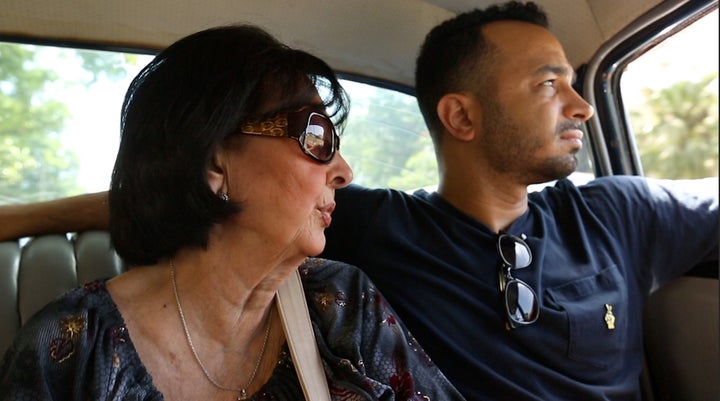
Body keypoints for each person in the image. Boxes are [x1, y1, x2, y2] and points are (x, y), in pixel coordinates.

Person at [0, 1, 717, 400]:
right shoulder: (379, 232)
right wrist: (14, 220)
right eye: (547, 82)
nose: (583, 107)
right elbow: (174, 200)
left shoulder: (621, 209)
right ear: (460, 117)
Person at [0, 24, 465, 400]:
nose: (343, 171)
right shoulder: (72, 349)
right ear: (214, 162)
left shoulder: (344, 306)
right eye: (316, 137)